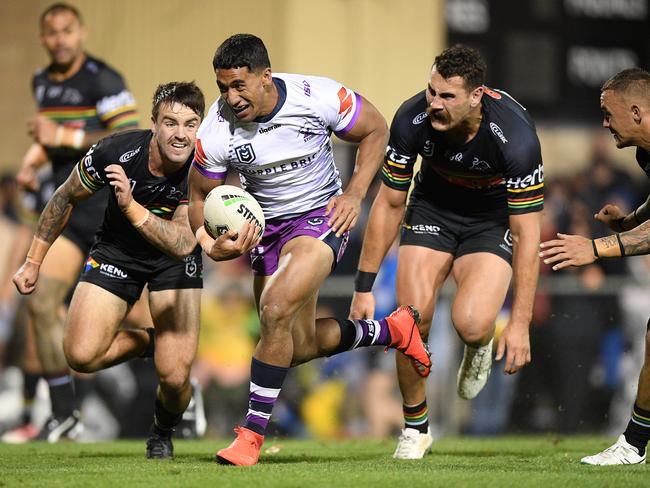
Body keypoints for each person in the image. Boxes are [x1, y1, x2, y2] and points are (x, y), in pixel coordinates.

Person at [188, 33, 431, 466]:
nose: (231, 97)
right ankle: (393, 332)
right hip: (263, 231)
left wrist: (356, 193)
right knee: (294, 346)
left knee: (275, 309)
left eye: (239, 85)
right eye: (223, 87)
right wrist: (210, 244)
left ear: (266, 76)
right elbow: (197, 196)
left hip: (320, 219)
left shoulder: (315, 95)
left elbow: (376, 129)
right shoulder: (215, 129)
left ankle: (250, 437)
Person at [349, 44, 544, 459]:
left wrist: (521, 321)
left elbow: (528, 236)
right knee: (409, 322)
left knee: (472, 324)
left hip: (491, 221)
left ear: (477, 96)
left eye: (447, 96)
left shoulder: (517, 138)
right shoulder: (411, 118)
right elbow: (386, 205)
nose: (434, 103)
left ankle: (478, 346)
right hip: (432, 210)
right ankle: (416, 427)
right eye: (431, 91)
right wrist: (363, 286)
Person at [13, 81, 205, 458]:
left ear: (200, 127)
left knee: (175, 377)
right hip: (118, 253)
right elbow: (65, 195)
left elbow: (182, 242)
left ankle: (161, 432)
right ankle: (156, 343)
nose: (180, 134)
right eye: (170, 123)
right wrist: (33, 261)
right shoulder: (115, 151)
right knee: (81, 355)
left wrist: (133, 208)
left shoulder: (205, 165)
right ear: (154, 123)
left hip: (174, 259)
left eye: (190, 124)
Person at [13, 2, 139, 442]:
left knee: (150, 321)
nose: (60, 39)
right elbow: (53, 143)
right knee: (41, 301)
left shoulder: (104, 80)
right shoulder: (42, 81)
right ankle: (63, 412)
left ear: (81, 32)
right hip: (69, 209)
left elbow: (127, 138)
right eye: (52, 33)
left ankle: (186, 391)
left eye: (67, 30)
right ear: (43, 39)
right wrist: (34, 161)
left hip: (111, 213)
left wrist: (59, 138)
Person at [540, 67, 650, 466]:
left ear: (636, 112)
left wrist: (597, 247)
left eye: (609, 114)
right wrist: (630, 220)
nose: (604, 124)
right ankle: (634, 445)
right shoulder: (644, 152)